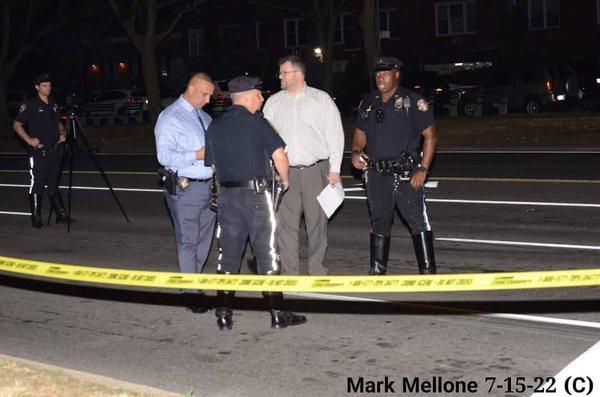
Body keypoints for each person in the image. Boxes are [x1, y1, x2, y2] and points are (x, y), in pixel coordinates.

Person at [204, 75, 307, 331]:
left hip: (227, 197)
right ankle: (277, 314)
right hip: (256, 197)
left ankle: (224, 315)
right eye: (259, 94)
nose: (262, 98)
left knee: (228, 256)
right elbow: (280, 155)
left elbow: (214, 165)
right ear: (248, 95)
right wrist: (285, 179)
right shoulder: (257, 123)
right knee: (267, 254)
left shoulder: (215, 126)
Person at [351, 56, 438, 275]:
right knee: (379, 221)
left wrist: (423, 169)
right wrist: (355, 152)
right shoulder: (368, 103)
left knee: (417, 220)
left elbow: (431, 136)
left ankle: (428, 273)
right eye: (378, 73)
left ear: (397, 74)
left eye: (386, 73)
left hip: (406, 173)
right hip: (377, 174)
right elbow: (359, 135)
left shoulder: (413, 101)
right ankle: (377, 272)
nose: (380, 77)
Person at [262, 55, 344, 275]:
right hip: (284, 172)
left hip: (316, 171)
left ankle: (316, 269)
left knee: (317, 223)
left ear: (298, 74)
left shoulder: (321, 99)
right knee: (285, 226)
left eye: (283, 72)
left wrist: (335, 169)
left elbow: (335, 135)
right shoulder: (273, 102)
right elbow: (265, 139)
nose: (279, 76)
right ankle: (291, 273)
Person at [155, 72, 216, 313]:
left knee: (204, 239)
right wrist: (197, 155)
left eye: (211, 95)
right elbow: (165, 157)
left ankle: (194, 283)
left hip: (209, 187)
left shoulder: (205, 117)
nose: (208, 99)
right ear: (191, 89)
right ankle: (191, 292)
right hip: (185, 187)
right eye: (205, 94)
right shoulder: (170, 117)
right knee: (188, 240)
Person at [13, 73, 70, 228]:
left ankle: (61, 214)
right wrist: (29, 140)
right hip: (39, 151)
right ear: (37, 87)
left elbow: (59, 122)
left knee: (53, 183)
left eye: (50, 85)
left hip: (54, 150)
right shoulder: (30, 104)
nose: (48, 88)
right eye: (45, 85)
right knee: (37, 183)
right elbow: (17, 124)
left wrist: (62, 134)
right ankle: (36, 217)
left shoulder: (53, 103)